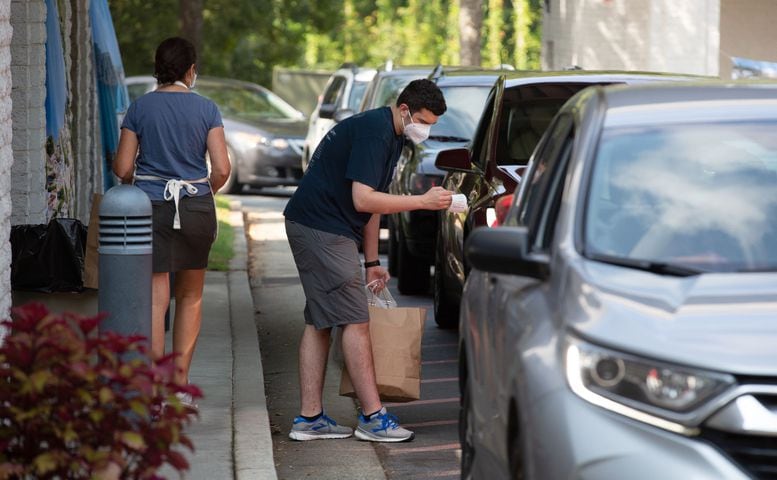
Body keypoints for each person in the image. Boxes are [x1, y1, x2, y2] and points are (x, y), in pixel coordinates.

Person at [283, 79, 452, 442]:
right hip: (322, 229)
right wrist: (422, 201)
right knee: (356, 321)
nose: (426, 130)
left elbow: (375, 202)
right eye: (424, 121)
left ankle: (309, 418)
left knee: (320, 323)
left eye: (433, 125)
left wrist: (372, 261)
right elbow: (363, 199)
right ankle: (373, 417)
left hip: (318, 226)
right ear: (404, 110)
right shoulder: (376, 134)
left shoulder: (392, 135)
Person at [113, 37, 230, 409]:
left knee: (155, 299)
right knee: (191, 296)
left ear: (158, 68)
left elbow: (122, 168)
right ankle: (180, 385)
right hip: (195, 205)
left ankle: (154, 390)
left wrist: (142, 179)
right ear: (190, 70)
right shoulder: (207, 109)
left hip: (151, 206)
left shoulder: (139, 107)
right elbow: (222, 168)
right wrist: (202, 189)